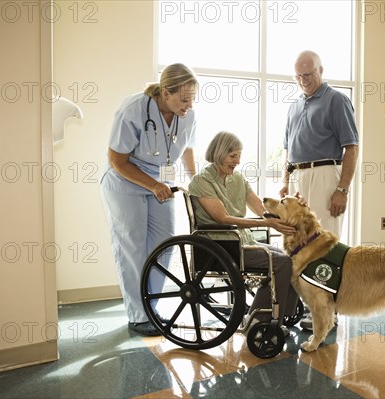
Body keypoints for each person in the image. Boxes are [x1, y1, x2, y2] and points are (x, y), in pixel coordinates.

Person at [100, 63, 198, 336]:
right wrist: (153, 184)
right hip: (125, 182)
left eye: (192, 98)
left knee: (164, 245)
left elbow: (187, 149)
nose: (189, 104)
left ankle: (151, 305)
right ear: (166, 92)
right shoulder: (133, 110)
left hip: (160, 181)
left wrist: (196, 181)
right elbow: (117, 160)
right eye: (184, 98)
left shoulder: (187, 115)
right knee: (132, 247)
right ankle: (138, 314)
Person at [279, 50, 359, 331]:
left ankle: (328, 314)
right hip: (299, 176)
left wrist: (342, 189)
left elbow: (351, 147)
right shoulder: (294, 105)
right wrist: (286, 181)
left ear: (321, 71)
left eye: (309, 74)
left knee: (323, 246)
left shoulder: (336, 100)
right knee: (300, 245)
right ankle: (309, 307)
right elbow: (288, 150)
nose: (304, 80)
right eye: (299, 76)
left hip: (326, 175)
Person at [188, 131, 300, 331]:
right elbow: (222, 219)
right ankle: (258, 320)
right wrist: (267, 225)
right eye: (233, 156)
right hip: (220, 246)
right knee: (282, 263)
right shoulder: (201, 181)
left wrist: (292, 205)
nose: (237, 161)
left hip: (241, 241)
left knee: (291, 257)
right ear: (218, 154)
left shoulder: (238, 179)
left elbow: (262, 210)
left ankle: (280, 313)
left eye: (239, 156)